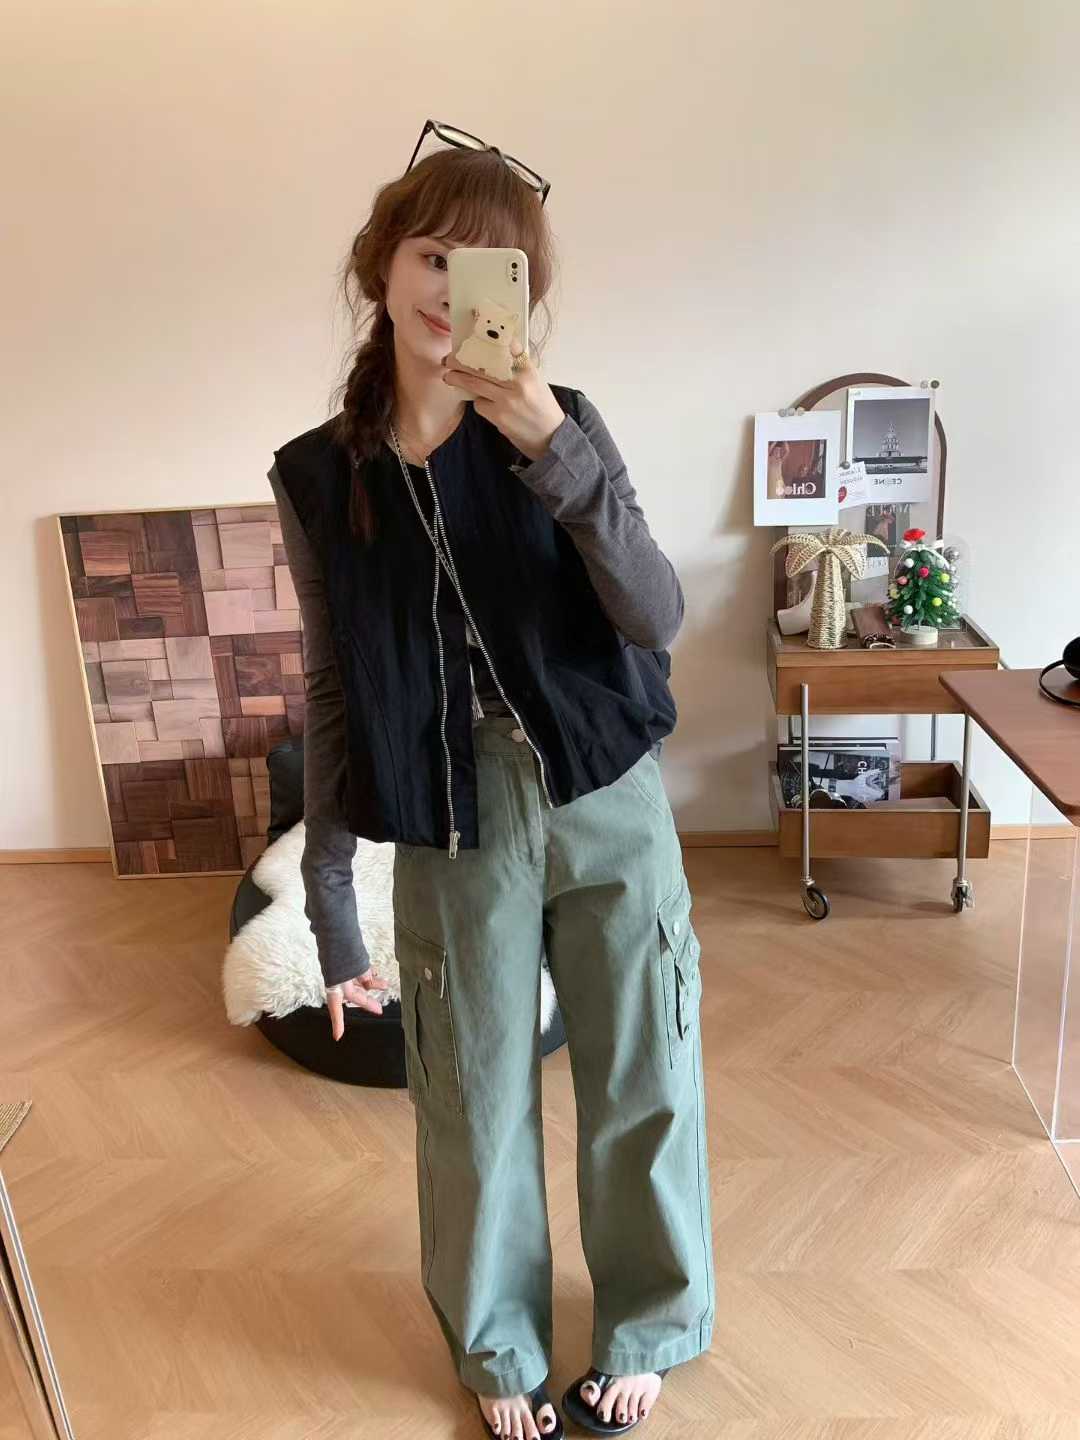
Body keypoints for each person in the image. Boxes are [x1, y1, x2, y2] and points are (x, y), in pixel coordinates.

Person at [268, 134, 715, 1440]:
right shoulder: (320, 474)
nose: (452, 286)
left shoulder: (561, 420)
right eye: (434, 254)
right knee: (470, 1092)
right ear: (383, 267)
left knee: (644, 1067)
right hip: (451, 814)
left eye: (492, 264)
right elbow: (336, 686)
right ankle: (496, 1339)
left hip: (604, 792)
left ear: (521, 293)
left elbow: (655, 614)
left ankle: (650, 1323)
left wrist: (552, 451)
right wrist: (333, 904)